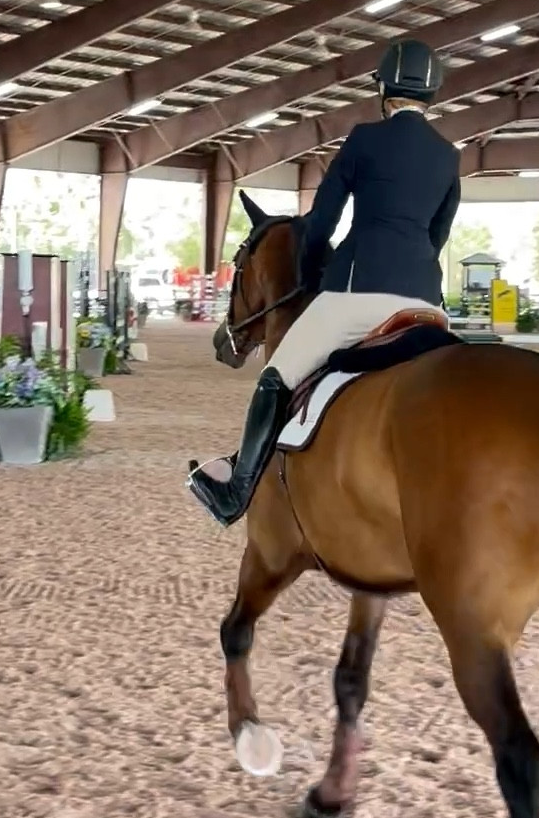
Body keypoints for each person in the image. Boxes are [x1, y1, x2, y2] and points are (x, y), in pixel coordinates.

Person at [189, 38, 461, 526]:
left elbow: (322, 224)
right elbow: (437, 234)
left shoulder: (363, 140)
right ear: (431, 94)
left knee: (276, 377)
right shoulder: (448, 156)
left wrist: (315, 267)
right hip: (427, 302)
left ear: (384, 91)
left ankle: (236, 493)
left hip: (358, 292)